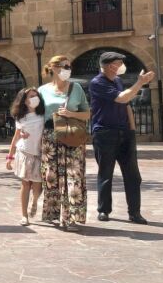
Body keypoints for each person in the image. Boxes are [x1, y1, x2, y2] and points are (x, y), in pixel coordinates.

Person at [89, 52, 155, 225]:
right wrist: (140, 83)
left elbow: (127, 105)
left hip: (125, 133)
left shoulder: (117, 81)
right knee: (106, 173)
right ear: (110, 66)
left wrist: (132, 131)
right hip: (105, 133)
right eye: (119, 63)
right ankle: (103, 210)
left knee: (133, 175)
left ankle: (135, 212)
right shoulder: (97, 82)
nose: (121, 66)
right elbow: (122, 98)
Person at [38, 55, 90, 231]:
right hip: (50, 138)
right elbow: (36, 116)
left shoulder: (76, 88)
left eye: (69, 66)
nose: (68, 69)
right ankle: (56, 214)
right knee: (52, 177)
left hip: (72, 137)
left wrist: (71, 114)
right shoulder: (42, 91)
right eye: (64, 66)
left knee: (74, 176)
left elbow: (87, 114)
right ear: (53, 68)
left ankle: (72, 218)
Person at [6, 87, 45, 226]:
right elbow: (16, 137)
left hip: (40, 154)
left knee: (38, 184)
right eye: (31, 96)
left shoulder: (43, 115)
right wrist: (10, 157)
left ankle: (34, 201)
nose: (34, 98)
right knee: (25, 183)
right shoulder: (21, 118)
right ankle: (24, 215)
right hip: (24, 152)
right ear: (24, 100)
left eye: (36, 95)